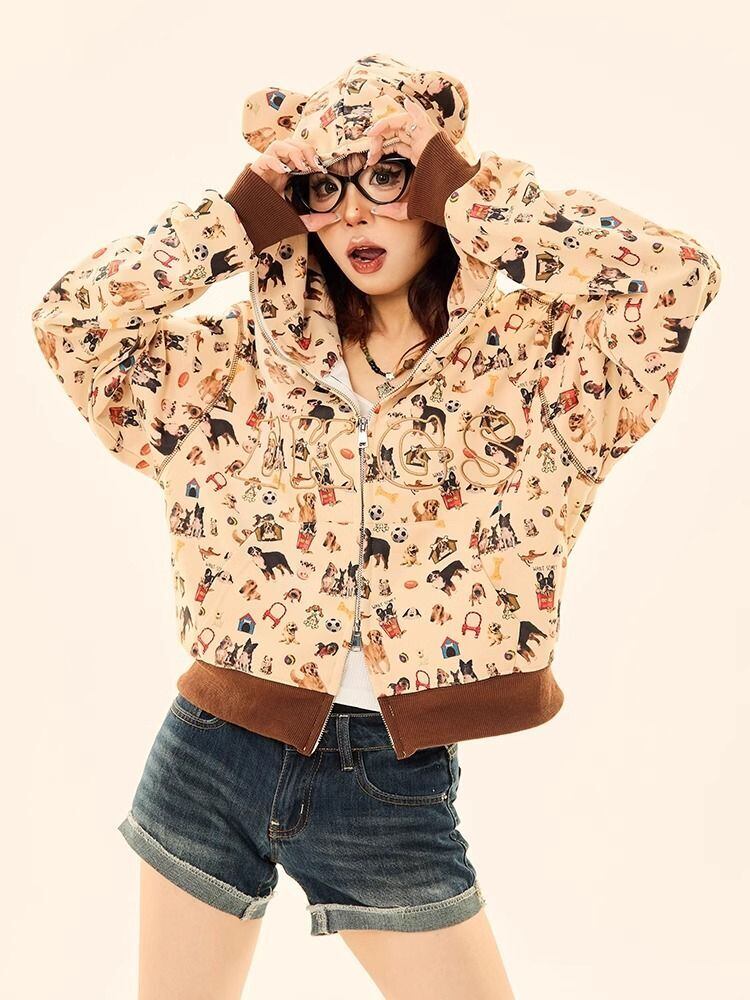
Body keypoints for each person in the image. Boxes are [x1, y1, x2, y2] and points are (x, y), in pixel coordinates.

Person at [31, 52, 720, 1000]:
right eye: (326, 187)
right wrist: (236, 219)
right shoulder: (238, 366)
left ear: (434, 183)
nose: (355, 212)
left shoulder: (540, 366)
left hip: (388, 786)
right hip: (210, 752)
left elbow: (677, 277)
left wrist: (471, 194)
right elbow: (69, 321)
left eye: (388, 177)